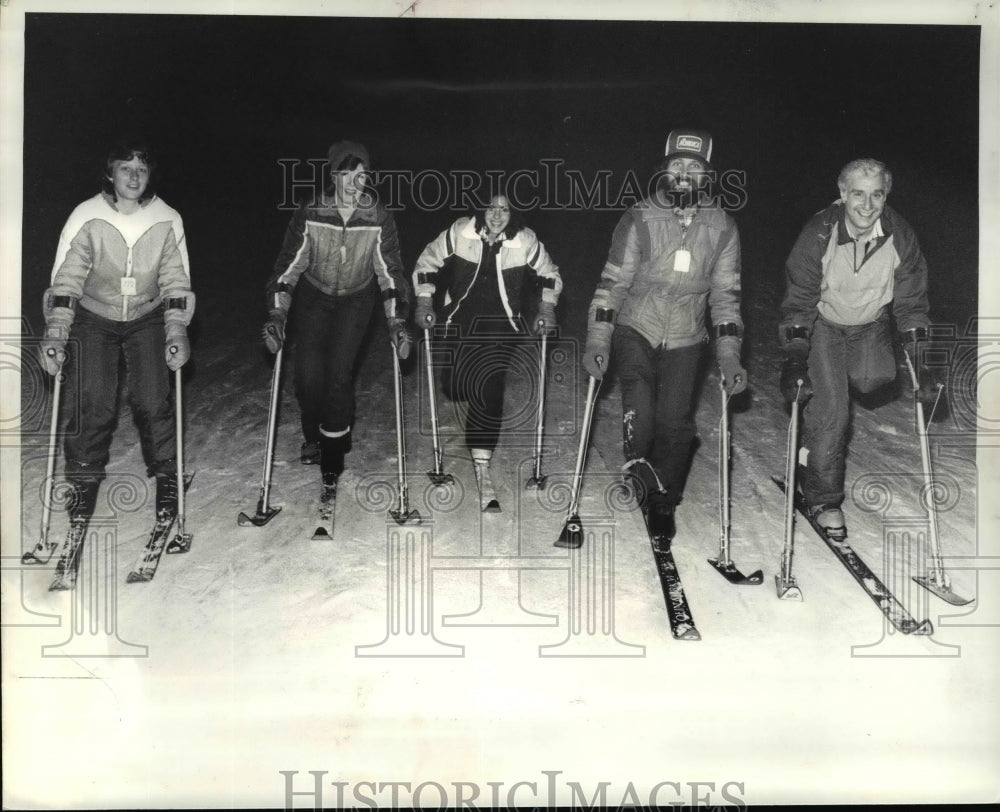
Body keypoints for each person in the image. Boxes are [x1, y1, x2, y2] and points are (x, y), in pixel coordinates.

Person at [582, 130, 747, 542]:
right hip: (637, 326)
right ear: (664, 170)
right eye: (677, 165)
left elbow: (726, 297)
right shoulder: (638, 217)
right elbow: (613, 284)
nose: (684, 174)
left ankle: (662, 498)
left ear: (707, 175)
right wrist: (599, 339)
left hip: (688, 335)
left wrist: (729, 355)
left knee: (675, 421)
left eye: (694, 167)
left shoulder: (723, 226)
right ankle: (639, 471)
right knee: (642, 414)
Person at [778, 158, 940, 539]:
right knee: (832, 415)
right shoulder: (819, 233)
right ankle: (823, 499)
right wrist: (796, 356)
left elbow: (912, 302)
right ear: (842, 194)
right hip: (824, 326)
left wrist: (923, 364)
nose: (866, 206)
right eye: (857, 194)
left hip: (869, 325)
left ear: (886, 197)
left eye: (876, 195)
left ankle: (818, 434)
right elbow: (799, 300)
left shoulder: (900, 234)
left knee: (875, 379)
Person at [39, 140, 194, 533]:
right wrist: (56, 334)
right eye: (126, 168)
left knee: (152, 400)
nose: (134, 176)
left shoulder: (166, 219)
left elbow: (176, 282)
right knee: (93, 403)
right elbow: (66, 281)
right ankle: (83, 484)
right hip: (94, 317)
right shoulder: (86, 216)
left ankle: (167, 482)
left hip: (147, 317)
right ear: (110, 173)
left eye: (141, 169)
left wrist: (176, 330)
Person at [263, 140, 413, 504]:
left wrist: (396, 321)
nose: (354, 182)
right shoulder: (312, 210)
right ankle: (315, 436)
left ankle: (331, 457)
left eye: (361, 174)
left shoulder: (376, 214)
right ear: (334, 174)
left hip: (356, 300)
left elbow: (389, 271)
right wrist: (277, 312)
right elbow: (289, 265)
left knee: (338, 375)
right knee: (308, 377)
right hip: (314, 296)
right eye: (347, 173)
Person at [411, 194, 562, 506]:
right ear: (481, 208)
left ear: (513, 212)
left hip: (501, 324)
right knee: (453, 387)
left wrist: (547, 308)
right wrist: (425, 299)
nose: (497, 215)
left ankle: (481, 459)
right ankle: (468, 391)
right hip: (461, 320)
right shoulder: (461, 232)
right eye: (491, 207)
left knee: (490, 383)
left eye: (504, 208)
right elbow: (427, 261)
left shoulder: (524, 241)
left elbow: (550, 274)